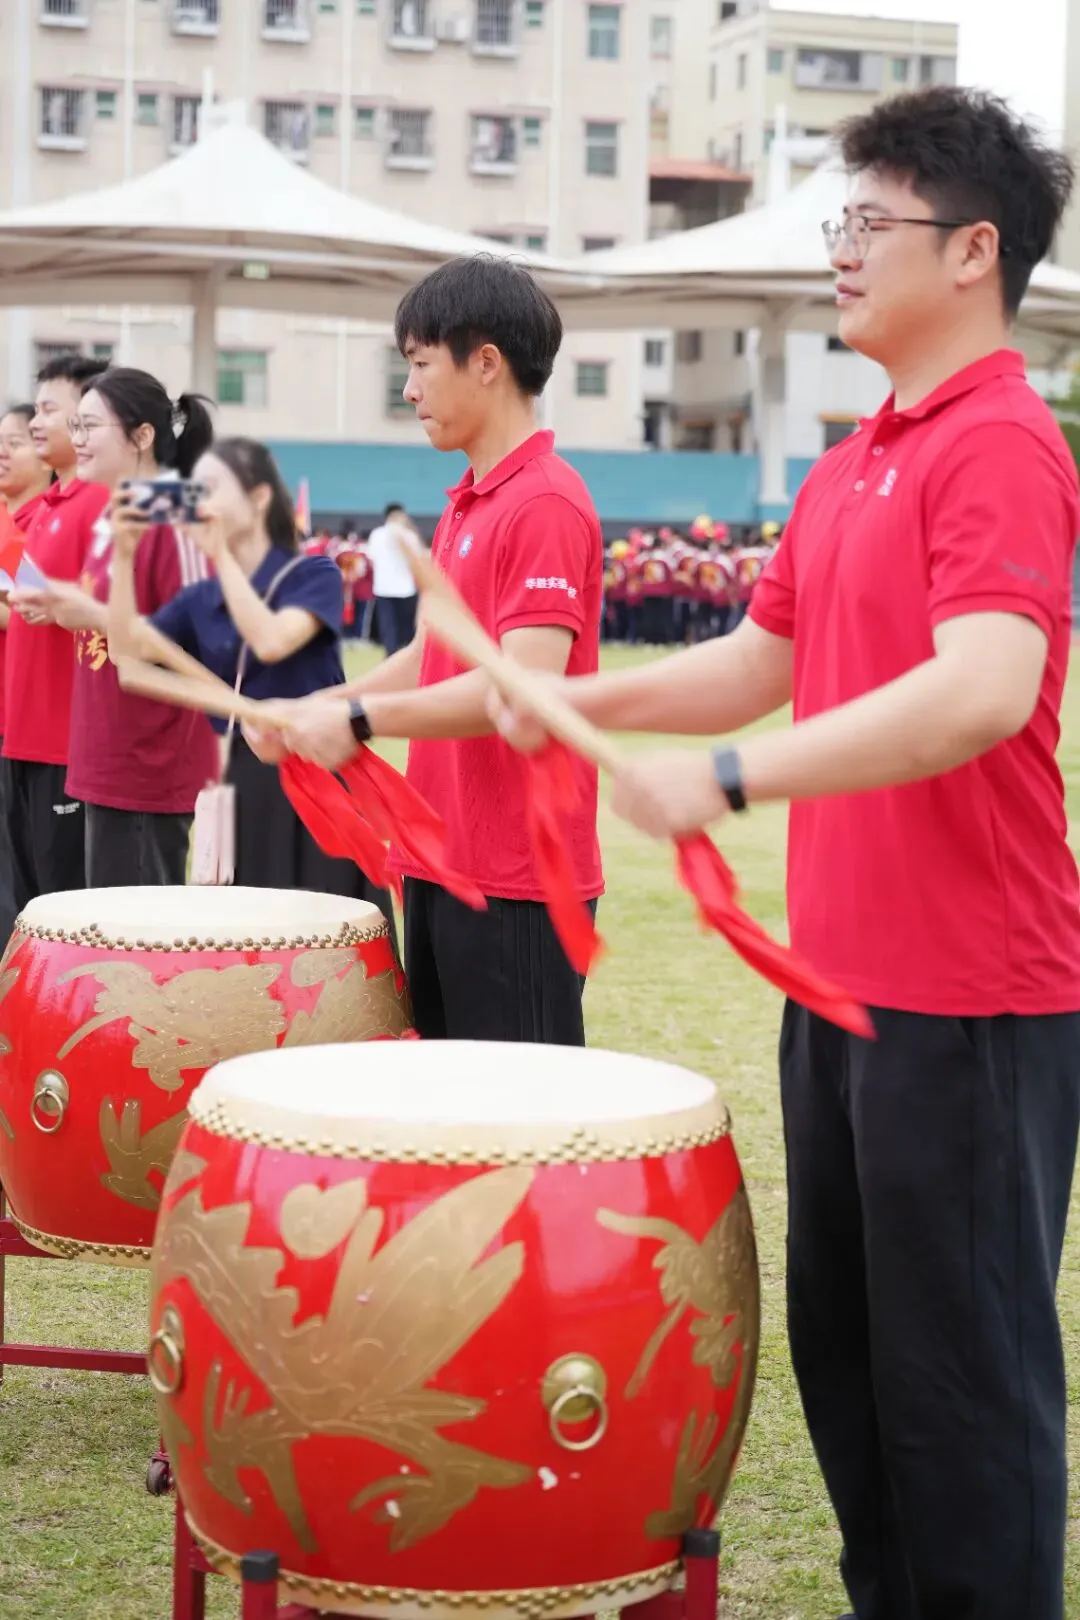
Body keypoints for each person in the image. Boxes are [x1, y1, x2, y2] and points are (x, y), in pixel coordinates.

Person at [493, 87, 1080, 1620]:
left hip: (972, 1003)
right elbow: (755, 664)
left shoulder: (1002, 446)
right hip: (840, 993)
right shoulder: (851, 464)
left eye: (865, 224)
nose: (840, 252)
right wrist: (562, 698)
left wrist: (729, 782)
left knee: (964, 1390)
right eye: (842, 221)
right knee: (854, 1361)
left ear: (972, 251)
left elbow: (985, 686)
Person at [250, 256, 604, 1046]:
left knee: (516, 1124)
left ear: (486, 363)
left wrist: (362, 719)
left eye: (418, 365)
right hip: (443, 859)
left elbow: (522, 688)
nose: (409, 391)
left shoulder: (543, 501)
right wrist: (322, 705)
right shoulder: (468, 504)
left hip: (519, 875)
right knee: (446, 1109)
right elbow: (432, 652)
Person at [106, 435, 393, 923]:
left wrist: (219, 555)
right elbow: (125, 656)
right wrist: (124, 555)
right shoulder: (202, 597)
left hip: (316, 772)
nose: (201, 503)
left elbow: (272, 641)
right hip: (244, 778)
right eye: (197, 490)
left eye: (214, 488)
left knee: (327, 933)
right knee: (253, 939)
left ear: (259, 498)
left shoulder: (312, 572)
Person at [15, 369, 218, 886]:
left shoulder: (176, 513)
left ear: (142, 436)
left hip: (149, 767)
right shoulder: (119, 513)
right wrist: (67, 603)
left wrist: (92, 614)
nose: (76, 440)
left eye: (90, 426)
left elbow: (195, 647)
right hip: (103, 757)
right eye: (75, 425)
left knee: (138, 949)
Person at [0, 355, 109, 935]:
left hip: (66, 744)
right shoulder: (38, 511)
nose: (38, 422)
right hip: (21, 737)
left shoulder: (103, 506)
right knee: (28, 904)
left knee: (64, 909)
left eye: (48, 410)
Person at [0, 405, 53, 942]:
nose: (3, 452)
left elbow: (23, 608)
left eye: (13, 441)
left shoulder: (42, 523)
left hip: (23, 720)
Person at [367, 502, 420, 656]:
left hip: (387, 588)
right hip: (403, 589)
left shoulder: (377, 535)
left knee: (389, 627)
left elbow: (371, 559)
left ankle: (391, 656)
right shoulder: (409, 535)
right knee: (404, 628)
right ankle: (402, 657)